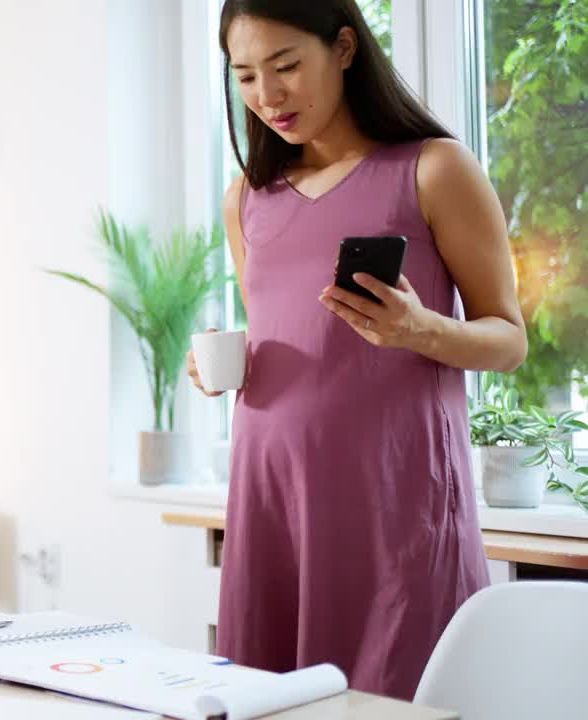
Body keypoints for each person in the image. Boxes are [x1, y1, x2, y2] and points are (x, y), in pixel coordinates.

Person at [187, 0, 527, 700]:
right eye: (245, 75)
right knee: (267, 700)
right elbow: (288, 338)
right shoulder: (246, 198)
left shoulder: (433, 169)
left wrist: (418, 329)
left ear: (344, 48)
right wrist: (222, 363)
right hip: (272, 500)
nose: (266, 96)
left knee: (397, 698)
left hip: (393, 502)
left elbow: (509, 338)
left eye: (286, 66)